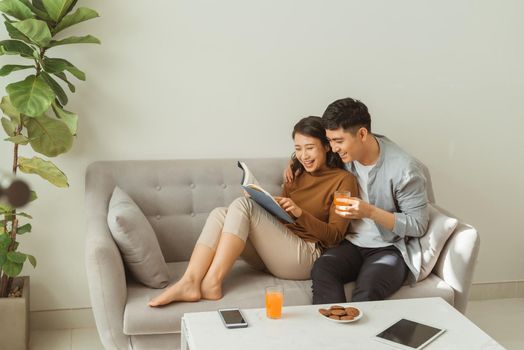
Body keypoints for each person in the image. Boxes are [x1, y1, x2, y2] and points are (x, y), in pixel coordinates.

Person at [149, 116, 358, 307]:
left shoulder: (343, 180)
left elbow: (334, 237)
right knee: (220, 213)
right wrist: (264, 204)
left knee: (242, 206)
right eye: (298, 149)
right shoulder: (296, 173)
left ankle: (212, 282)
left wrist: (300, 214)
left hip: (306, 257)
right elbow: (282, 220)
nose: (304, 155)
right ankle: (189, 281)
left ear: (327, 146)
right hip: (276, 253)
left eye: (310, 148)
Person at [287, 98, 430, 304]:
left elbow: (418, 225)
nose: (334, 148)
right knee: (323, 269)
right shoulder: (343, 155)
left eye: (338, 141)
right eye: (330, 141)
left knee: (368, 288)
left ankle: (357, 336)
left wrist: (370, 212)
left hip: (388, 247)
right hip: (351, 244)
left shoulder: (404, 169)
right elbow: (309, 152)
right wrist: (293, 164)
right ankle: (329, 331)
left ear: (362, 134)